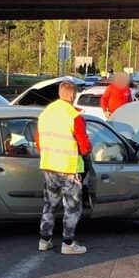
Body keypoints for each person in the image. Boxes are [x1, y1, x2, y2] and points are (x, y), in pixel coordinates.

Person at [35, 80, 92, 255]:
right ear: (73, 95)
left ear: (60, 93)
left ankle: (45, 240)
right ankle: (68, 243)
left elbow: (38, 142)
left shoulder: (45, 114)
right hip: (69, 168)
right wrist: (90, 147)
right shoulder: (74, 116)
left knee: (50, 205)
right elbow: (84, 147)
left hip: (48, 166)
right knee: (72, 207)